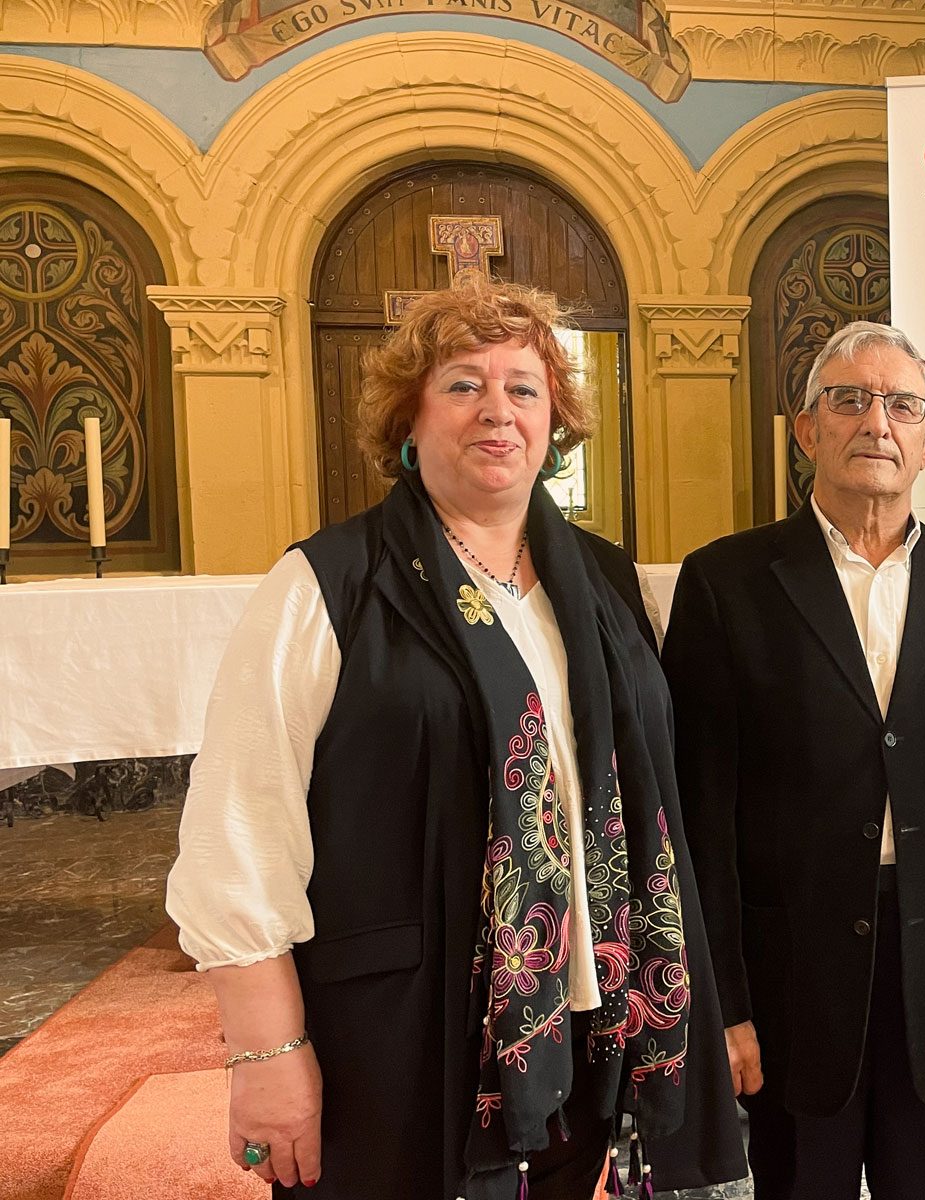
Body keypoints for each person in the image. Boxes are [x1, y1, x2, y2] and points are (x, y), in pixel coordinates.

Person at [166, 279, 743, 1200]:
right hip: (399, 1031)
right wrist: (267, 1050)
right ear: (409, 414)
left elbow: (644, 802)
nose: (498, 411)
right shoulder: (328, 583)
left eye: (524, 388)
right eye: (464, 384)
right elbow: (240, 829)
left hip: (584, 1021)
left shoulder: (600, 578)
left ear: (556, 420)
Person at [662, 320, 925, 1199]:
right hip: (789, 981)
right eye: (848, 399)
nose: (875, 421)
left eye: (901, 405)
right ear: (806, 432)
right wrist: (721, 1000)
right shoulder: (725, 584)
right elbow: (700, 815)